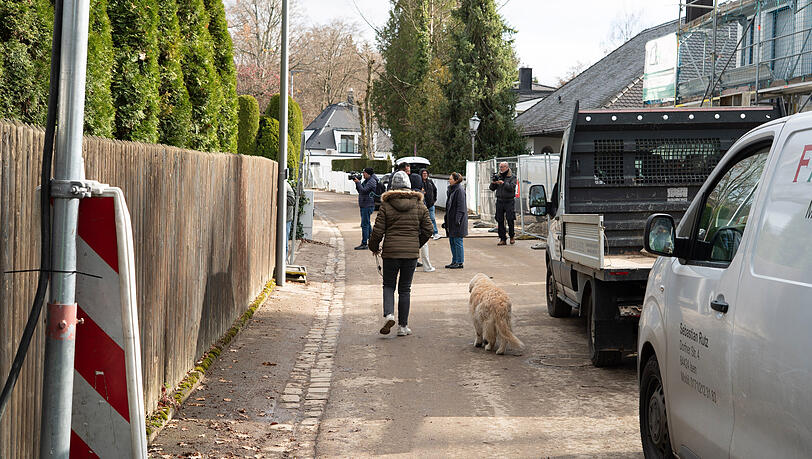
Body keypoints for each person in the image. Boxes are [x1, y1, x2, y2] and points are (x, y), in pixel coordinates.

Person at [369, 171, 434, 336]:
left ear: (392, 186)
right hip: (410, 255)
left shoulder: (386, 205)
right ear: (409, 186)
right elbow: (429, 229)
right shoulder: (419, 205)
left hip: (391, 253)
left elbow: (377, 231)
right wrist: (416, 244)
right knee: (405, 289)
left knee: (388, 285)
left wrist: (373, 247)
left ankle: (389, 315)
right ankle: (403, 327)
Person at [443, 172, 468, 269]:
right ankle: (454, 260)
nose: (449, 180)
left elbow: (461, 207)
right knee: (452, 241)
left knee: (457, 241)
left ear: (456, 180)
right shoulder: (452, 190)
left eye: (450, 179)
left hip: (457, 220)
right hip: (451, 219)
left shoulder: (459, 190)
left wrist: (458, 220)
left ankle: (459, 261)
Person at [489, 161, 517, 246]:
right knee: (499, 219)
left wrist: (503, 183)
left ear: (507, 167)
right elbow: (491, 188)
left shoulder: (512, 177)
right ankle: (502, 238)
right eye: (500, 167)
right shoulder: (498, 176)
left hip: (509, 200)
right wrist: (494, 183)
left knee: (510, 219)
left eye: (502, 167)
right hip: (500, 200)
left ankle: (511, 236)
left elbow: (512, 187)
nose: (501, 168)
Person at [353, 167, 378, 250]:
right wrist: (357, 183)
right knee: (367, 223)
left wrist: (358, 183)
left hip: (368, 205)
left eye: (364, 173)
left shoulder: (372, 181)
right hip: (365, 204)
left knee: (364, 224)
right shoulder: (367, 180)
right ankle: (372, 241)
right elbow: (360, 191)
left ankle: (364, 243)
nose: (363, 174)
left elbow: (363, 191)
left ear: (368, 173)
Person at [420, 169, 440, 240]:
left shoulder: (430, 182)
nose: (425, 175)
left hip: (431, 204)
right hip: (423, 205)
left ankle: (435, 233)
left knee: (432, 219)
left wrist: (434, 199)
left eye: (426, 173)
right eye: (423, 173)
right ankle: (427, 233)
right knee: (424, 220)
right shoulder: (420, 183)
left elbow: (435, 190)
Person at [285, 180, 296, 257]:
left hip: (286, 219)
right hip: (285, 218)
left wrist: (281, 196)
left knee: (284, 242)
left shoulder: (286, 186)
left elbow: (292, 201)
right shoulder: (285, 185)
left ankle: (284, 260)